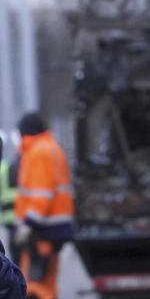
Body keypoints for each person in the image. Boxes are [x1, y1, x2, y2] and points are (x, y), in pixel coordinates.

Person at [13, 113, 75, 299]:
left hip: (41, 231)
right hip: (53, 229)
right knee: (47, 283)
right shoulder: (52, 148)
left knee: (34, 285)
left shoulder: (38, 152)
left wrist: (28, 223)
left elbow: (42, 194)